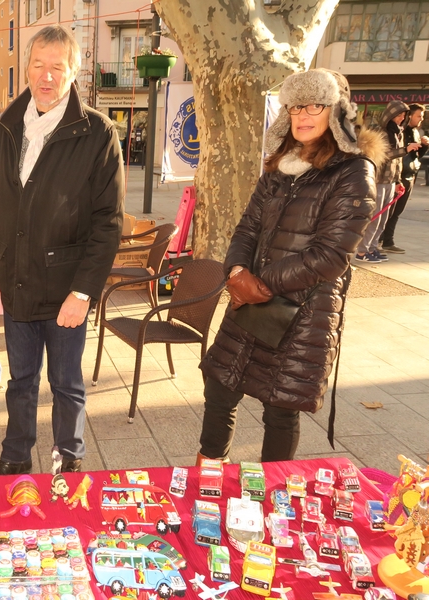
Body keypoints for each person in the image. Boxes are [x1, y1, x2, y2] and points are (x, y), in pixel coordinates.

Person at [197, 69, 386, 463]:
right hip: (249, 299)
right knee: (219, 388)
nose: (303, 114)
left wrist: (258, 283)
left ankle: (273, 499)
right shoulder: (281, 165)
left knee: (279, 408)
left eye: (314, 104)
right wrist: (236, 272)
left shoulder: (354, 172)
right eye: (296, 105)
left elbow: (331, 255)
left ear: (335, 111)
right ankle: (208, 477)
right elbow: (247, 227)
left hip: (304, 311)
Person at [0, 25, 124, 476]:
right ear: (27, 68)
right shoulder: (3, 129)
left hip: (65, 290)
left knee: (66, 383)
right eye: (38, 65)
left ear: (73, 72)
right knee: (20, 381)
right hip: (15, 281)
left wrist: (83, 292)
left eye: (58, 67)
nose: (46, 76)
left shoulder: (97, 132)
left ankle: (69, 457)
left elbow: (108, 223)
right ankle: (16, 453)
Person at [355, 100, 419, 263]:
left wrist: (398, 181)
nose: (401, 118)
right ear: (389, 116)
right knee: (375, 217)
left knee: (384, 218)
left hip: (391, 181)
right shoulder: (381, 132)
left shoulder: (399, 132)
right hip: (379, 180)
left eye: (403, 115)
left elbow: (397, 162)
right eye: (398, 115)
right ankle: (362, 252)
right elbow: (385, 155)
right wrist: (405, 149)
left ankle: (372, 247)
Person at [380, 103, 429, 253]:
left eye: (422, 116)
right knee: (387, 211)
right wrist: (396, 179)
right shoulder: (393, 131)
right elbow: (391, 155)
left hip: (409, 175)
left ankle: (386, 240)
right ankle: (381, 241)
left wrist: (424, 146)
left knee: (396, 211)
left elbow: (415, 156)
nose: (421, 119)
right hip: (394, 176)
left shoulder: (413, 132)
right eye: (418, 116)